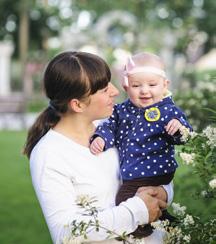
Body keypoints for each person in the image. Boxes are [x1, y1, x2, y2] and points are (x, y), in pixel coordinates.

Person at [23, 51, 173, 244]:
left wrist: (164, 191)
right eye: (103, 89)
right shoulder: (49, 154)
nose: (116, 91)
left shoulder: (114, 128)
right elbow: (66, 233)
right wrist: (138, 210)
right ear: (77, 105)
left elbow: (154, 166)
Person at [90, 52, 192, 237]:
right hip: (135, 171)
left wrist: (178, 128)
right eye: (137, 85)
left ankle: (140, 231)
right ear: (126, 86)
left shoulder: (168, 110)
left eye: (152, 85)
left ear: (164, 85)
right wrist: (101, 138)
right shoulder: (121, 110)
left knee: (124, 198)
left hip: (154, 169)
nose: (144, 90)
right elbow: (109, 125)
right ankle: (165, 220)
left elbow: (185, 135)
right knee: (144, 198)